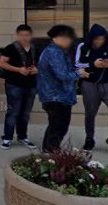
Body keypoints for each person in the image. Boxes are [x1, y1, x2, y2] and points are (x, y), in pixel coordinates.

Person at [75, 24, 108, 157]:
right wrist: (93, 64)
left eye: (101, 39)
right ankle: (89, 139)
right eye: (96, 39)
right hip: (90, 85)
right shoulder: (83, 47)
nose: (98, 41)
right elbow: (76, 65)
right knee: (90, 114)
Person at [36, 25, 89, 153]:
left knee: (55, 126)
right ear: (59, 38)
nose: (70, 42)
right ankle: (51, 153)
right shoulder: (54, 52)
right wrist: (79, 74)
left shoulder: (55, 51)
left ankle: (49, 151)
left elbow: (63, 72)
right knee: (58, 127)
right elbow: (62, 75)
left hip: (56, 96)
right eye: (69, 38)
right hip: (56, 97)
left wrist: (76, 71)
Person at [0, 24, 38, 150]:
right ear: (17, 35)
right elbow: (2, 63)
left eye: (26, 35)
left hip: (31, 84)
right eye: (21, 35)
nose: (24, 38)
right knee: (13, 112)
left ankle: (22, 136)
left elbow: (42, 63)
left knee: (25, 113)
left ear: (31, 35)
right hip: (14, 84)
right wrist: (18, 70)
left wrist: (36, 70)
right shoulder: (11, 48)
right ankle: (7, 137)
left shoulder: (35, 48)